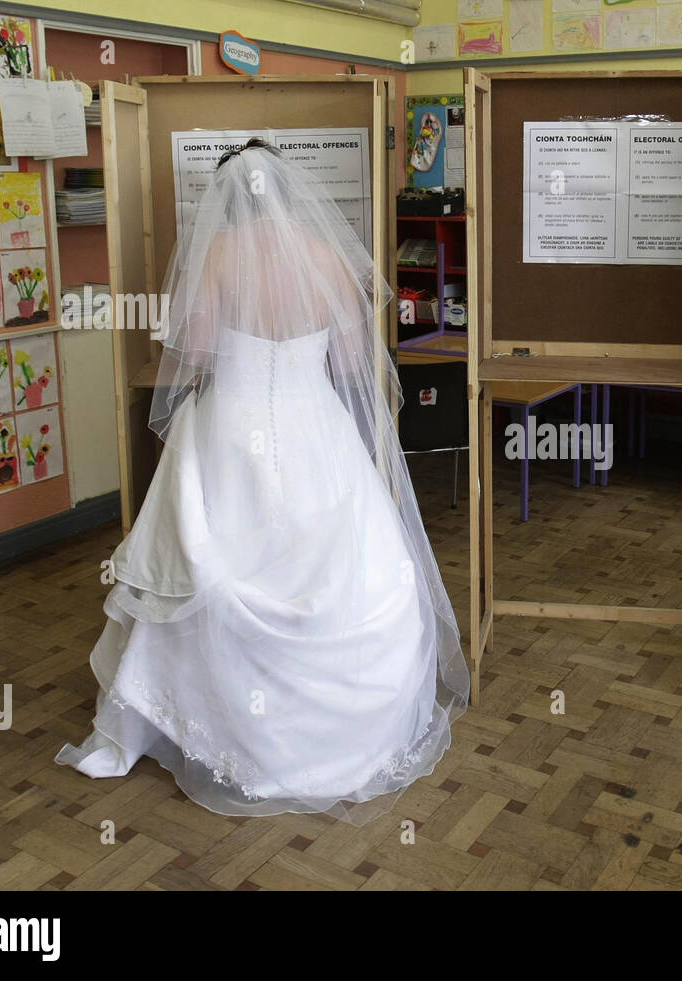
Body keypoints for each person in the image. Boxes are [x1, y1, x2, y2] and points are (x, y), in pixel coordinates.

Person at [56, 138, 469, 823]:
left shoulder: (217, 257)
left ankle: (202, 724)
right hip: (318, 428)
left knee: (199, 562)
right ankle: (343, 737)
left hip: (231, 431)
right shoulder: (330, 256)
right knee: (352, 570)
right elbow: (348, 358)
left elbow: (191, 353)